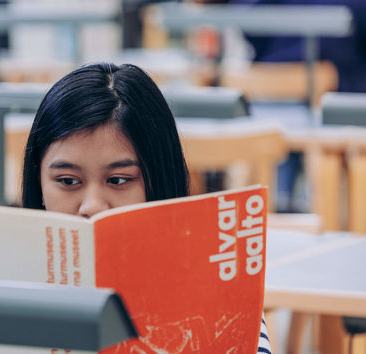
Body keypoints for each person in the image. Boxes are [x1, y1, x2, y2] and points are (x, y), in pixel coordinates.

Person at [21, 62, 272, 353]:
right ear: (38, 180)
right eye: (67, 180)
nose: (92, 206)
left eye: (118, 180)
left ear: (158, 180)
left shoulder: (216, 294)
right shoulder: (9, 281)